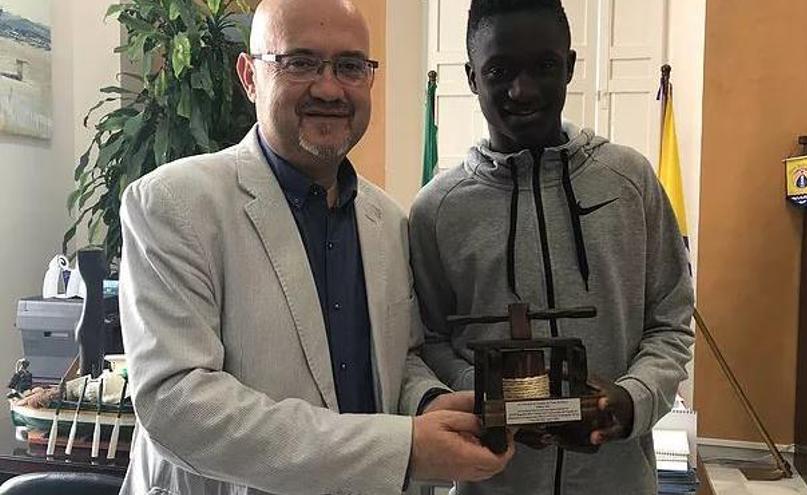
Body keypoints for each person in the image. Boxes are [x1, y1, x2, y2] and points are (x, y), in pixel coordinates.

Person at [117, 0, 512, 493]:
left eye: (349, 66)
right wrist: (402, 448)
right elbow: (179, 404)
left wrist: (428, 403)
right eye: (299, 62)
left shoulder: (388, 220)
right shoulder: (174, 203)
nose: (329, 88)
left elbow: (399, 358)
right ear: (250, 77)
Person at [409, 0, 694, 493]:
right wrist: (488, 396)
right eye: (499, 70)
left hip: (620, 479)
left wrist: (631, 400)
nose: (522, 90)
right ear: (472, 77)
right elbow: (429, 340)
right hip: (494, 481)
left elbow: (670, 322)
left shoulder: (630, 181)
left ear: (570, 66)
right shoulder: (437, 210)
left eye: (544, 66)